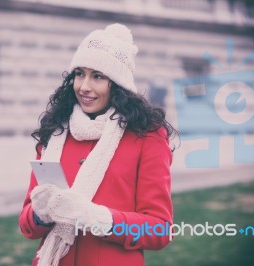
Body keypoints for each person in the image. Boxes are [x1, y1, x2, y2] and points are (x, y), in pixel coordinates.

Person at [19, 23, 175, 266]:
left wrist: (96, 217)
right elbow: (26, 225)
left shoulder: (148, 137)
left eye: (98, 76)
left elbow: (160, 229)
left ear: (118, 83)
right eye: (79, 73)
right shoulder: (56, 130)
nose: (84, 86)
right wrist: (42, 213)